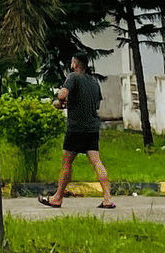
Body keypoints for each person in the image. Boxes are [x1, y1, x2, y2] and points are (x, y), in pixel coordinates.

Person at [38, 54, 113, 209]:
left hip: (76, 128)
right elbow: (96, 105)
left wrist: (60, 99)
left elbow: (62, 94)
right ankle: (107, 198)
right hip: (92, 128)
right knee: (97, 162)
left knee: (67, 163)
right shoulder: (94, 81)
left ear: (75, 64)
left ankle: (57, 197)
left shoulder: (73, 77)